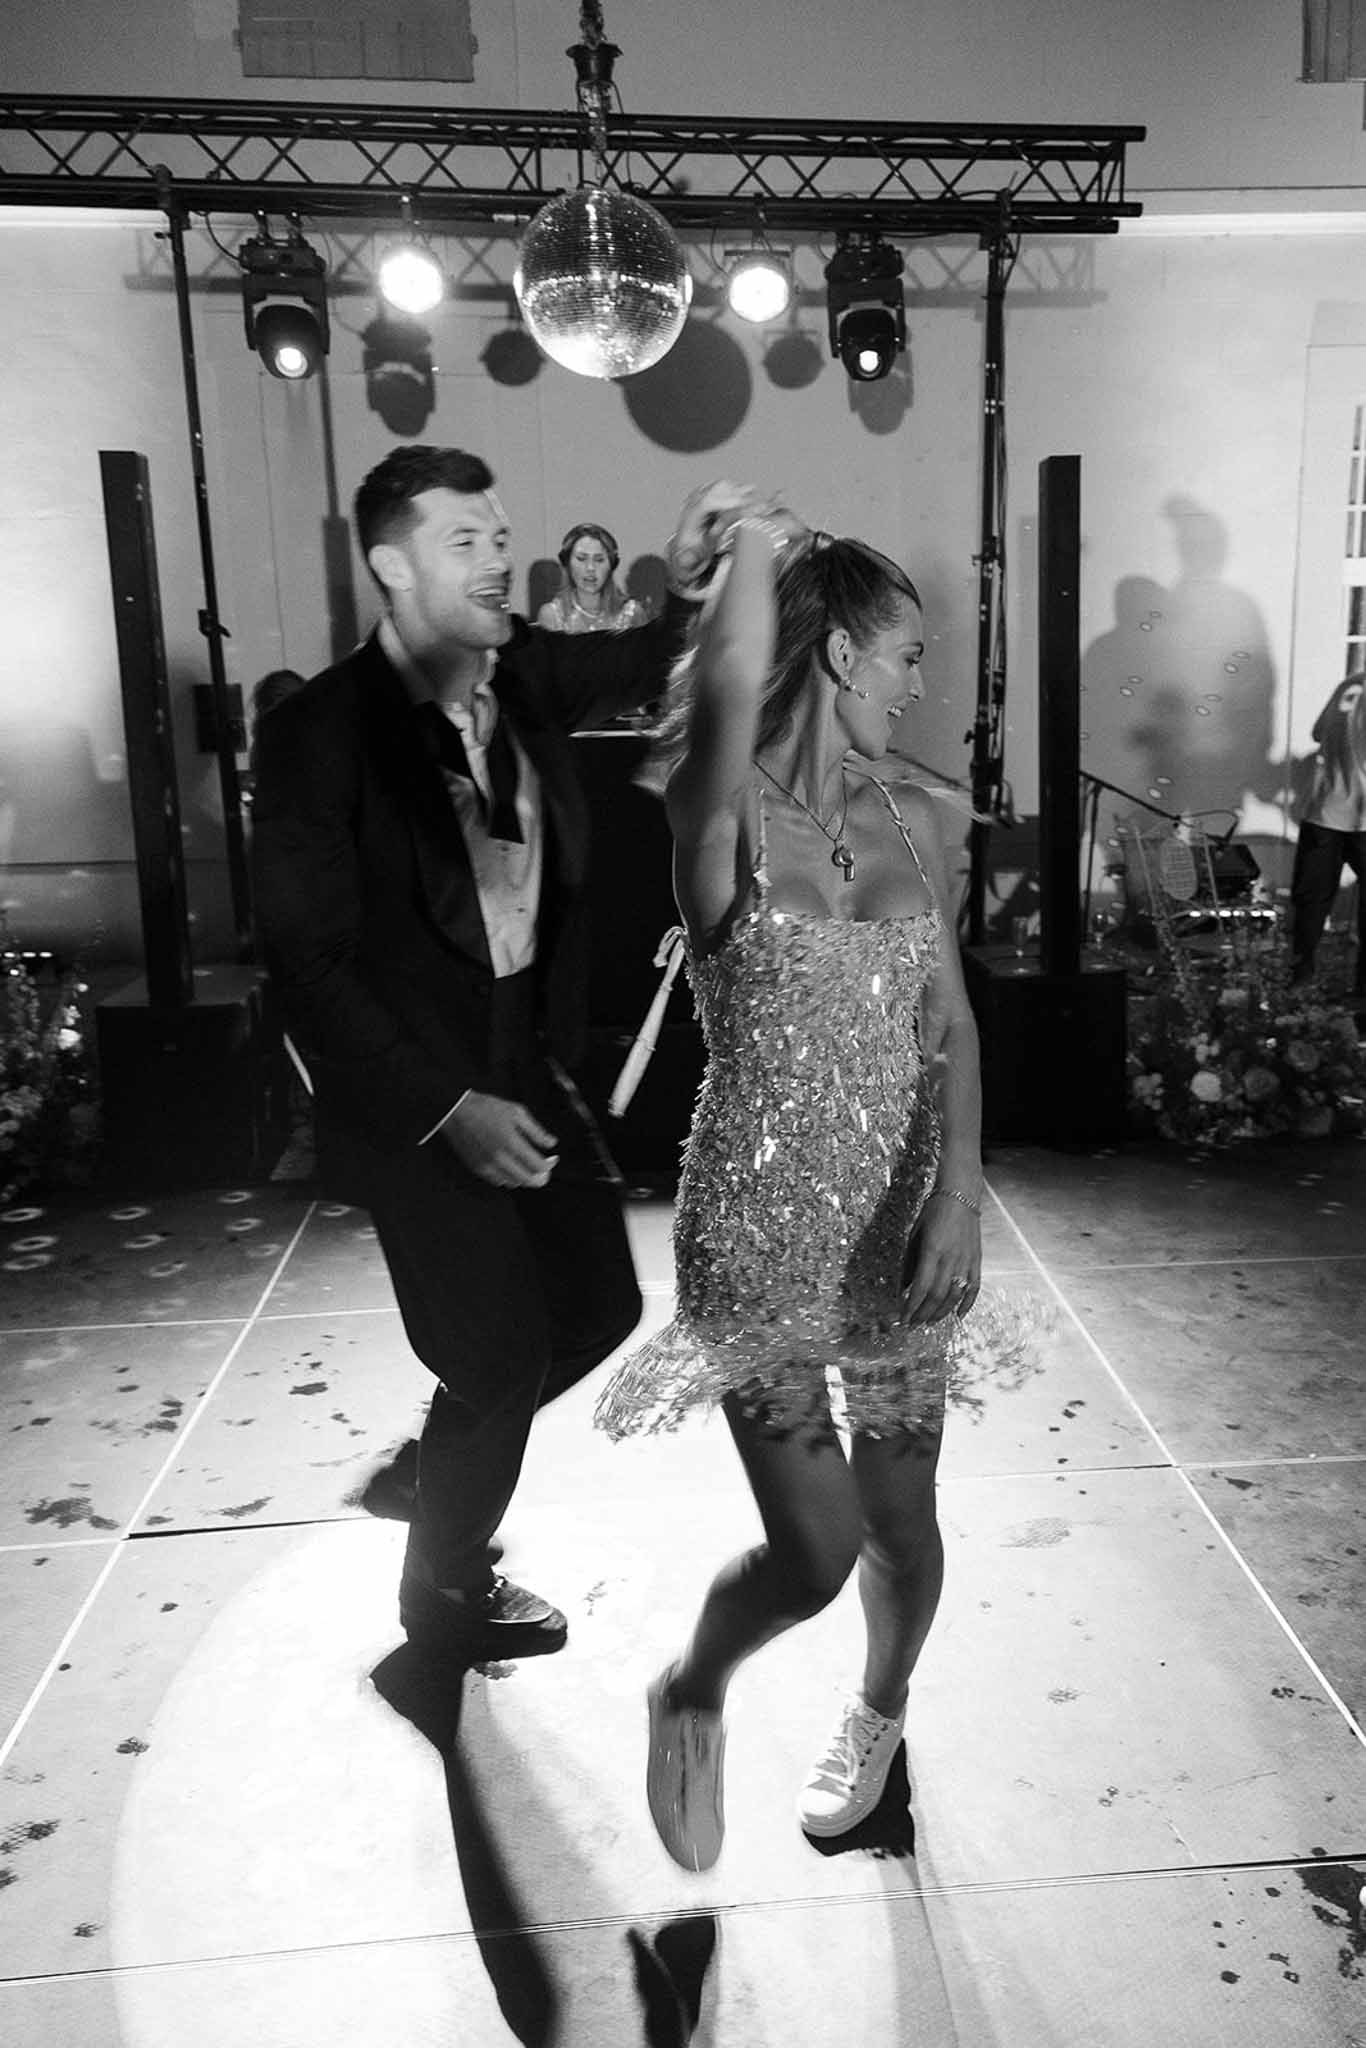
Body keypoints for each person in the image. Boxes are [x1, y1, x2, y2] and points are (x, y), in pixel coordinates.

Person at [595, 505, 1037, 1868]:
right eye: (904, 652)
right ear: (841, 652)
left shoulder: (927, 813)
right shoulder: (715, 811)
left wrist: (957, 1192)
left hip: (903, 1227)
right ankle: (691, 1687)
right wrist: (744, 559)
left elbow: (949, 1019)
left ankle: (878, 1712)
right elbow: (730, 691)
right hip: (755, 1235)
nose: (918, 682)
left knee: (901, 1524)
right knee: (815, 1548)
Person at [251, 445, 739, 1665]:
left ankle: (440, 1463)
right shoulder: (320, 732)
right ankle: (442, 1595)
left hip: (526, 1061)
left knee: (602, 1305)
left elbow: (633, 658)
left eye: (497, 535)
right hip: (415, 1093)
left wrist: (684, 582)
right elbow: (309, 967)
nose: (493, 558)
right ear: (388, 563)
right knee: (500, 1346)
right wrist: (444, 1104)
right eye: (462, 540)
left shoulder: (514, 671)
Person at [1289, 673, 1366, 995]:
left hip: (1325, 811)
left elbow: (1319, 732)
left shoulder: (1352, 683)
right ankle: (1363, 991)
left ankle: (1299, 979)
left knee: (1310, 903)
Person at [536, 522, 652, 635]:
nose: (590, 568)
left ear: (611, 565)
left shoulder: (632, 613)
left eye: (599, 560)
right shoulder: (553, 616)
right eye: (581, 559)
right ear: (568, 563)